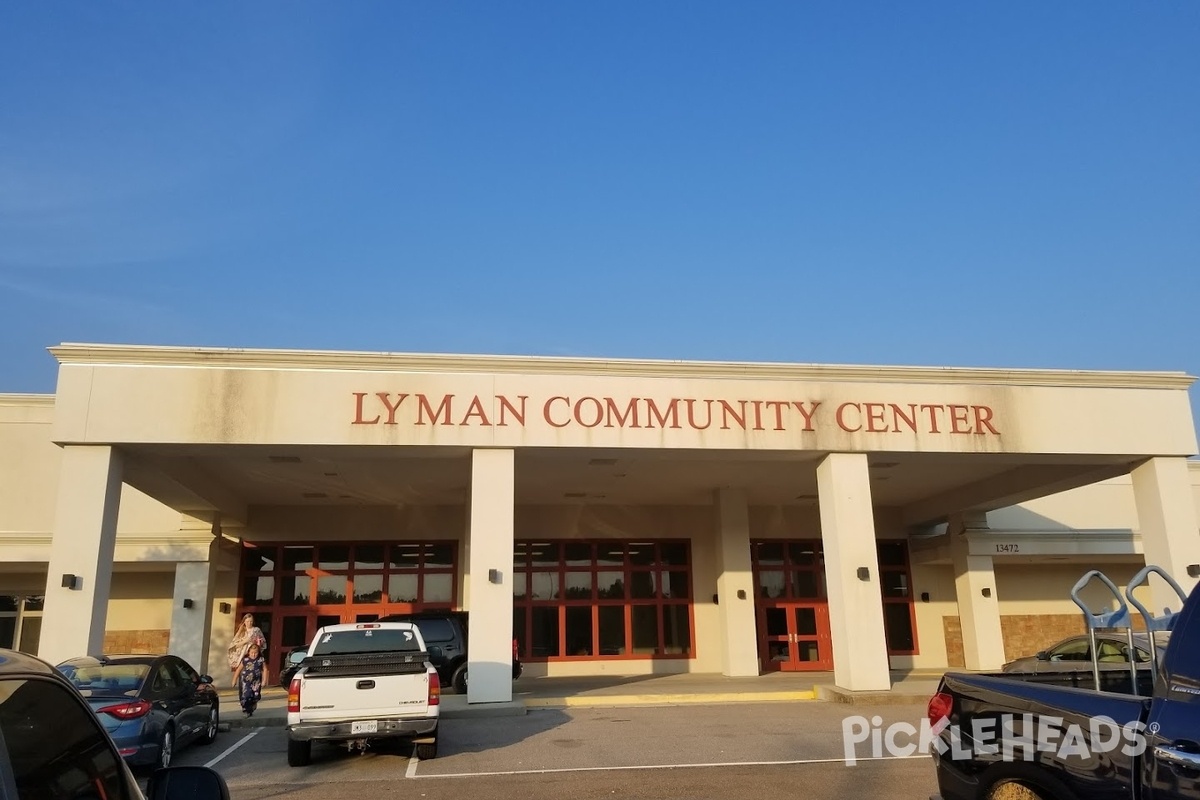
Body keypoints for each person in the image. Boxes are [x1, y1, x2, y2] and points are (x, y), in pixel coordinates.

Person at [226, 613, 266, 682]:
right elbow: (234, 645)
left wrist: (258, 641)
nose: (249, 623)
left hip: (253, 653)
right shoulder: (241, 631)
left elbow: (263, 642)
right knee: (242, 672)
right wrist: (245, 641)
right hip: (243, 655)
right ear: (244, 622)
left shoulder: (256, 630)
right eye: (247, 621)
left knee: (255, 670)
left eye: (251, 621)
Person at [233, 642, 268, 717]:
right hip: (246, 681)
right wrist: (234, 680)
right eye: (252, 653)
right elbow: (238, 670)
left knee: (256, 696)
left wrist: (264, 680)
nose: (254, 654)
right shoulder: (245, 660)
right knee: (246, 695)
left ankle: (253, 704)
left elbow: (265, 670)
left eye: (256, 653)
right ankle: (247, 710)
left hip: (256, 682)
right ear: (248, 652)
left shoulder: (261, 660)